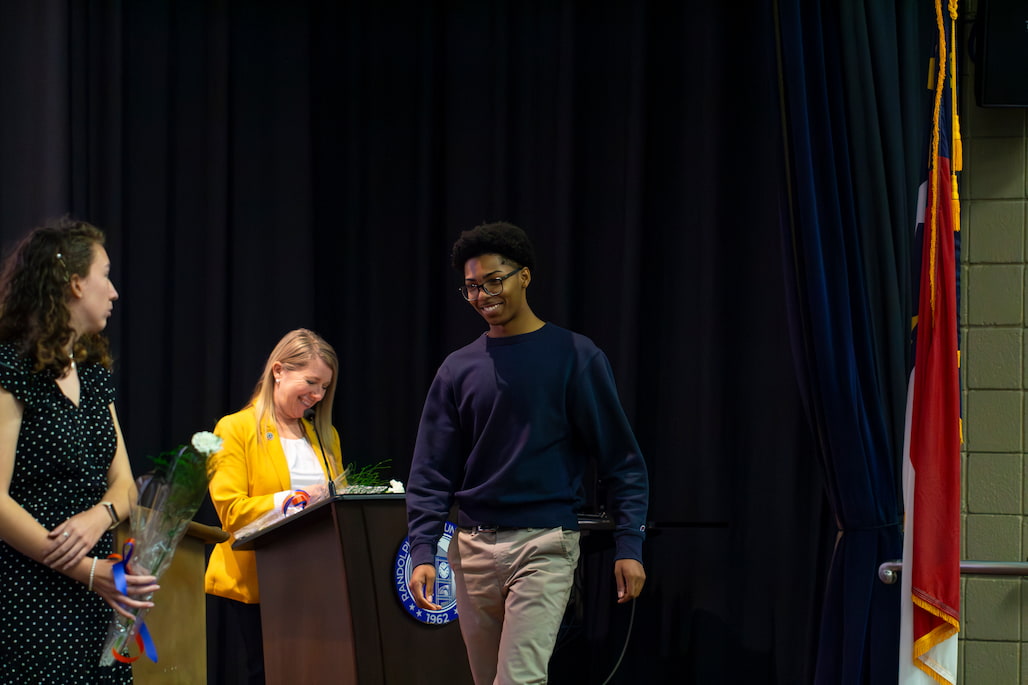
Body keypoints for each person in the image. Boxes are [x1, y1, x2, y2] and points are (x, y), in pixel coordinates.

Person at [406, 221, 649, 684]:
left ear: (525, 276)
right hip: (472, 546)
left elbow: (622, 461)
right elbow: (431, 471)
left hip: (544, 544)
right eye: (472, 287)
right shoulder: (458, 369)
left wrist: (629, 544)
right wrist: (422, 550)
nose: (482, 295)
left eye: (494, 280)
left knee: (517, 680)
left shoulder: (575, 356)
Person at [0, 218, 159, 683]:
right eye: (104, 275)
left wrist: (100, 516)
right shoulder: (11, 368)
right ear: (73, 284)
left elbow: (126, 484)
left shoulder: (91, 374)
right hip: (30, 596)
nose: (113, 292)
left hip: (96, 599)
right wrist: (88, 571)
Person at [205, 328, 344, 685]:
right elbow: (232, 512)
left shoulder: (325, 435)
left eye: (325, 387)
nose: (317, 395)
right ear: (279, 370)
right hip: (259, 584)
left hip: (319, 582)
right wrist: (297, 500)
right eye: (311, 382)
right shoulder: (235, 429)